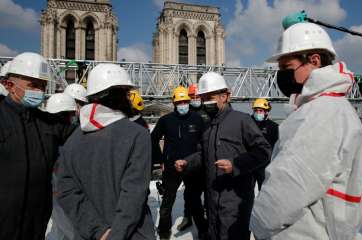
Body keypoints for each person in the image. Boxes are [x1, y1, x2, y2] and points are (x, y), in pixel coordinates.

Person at [250, 22, 362, 240]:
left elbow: (288, 187)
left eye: (286, 68)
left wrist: (258, 224)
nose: (281, 76)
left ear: (314, 61)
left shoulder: (321, 113)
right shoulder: (333, 108)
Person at [56, 63, 155, 240]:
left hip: (88, 234)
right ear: (117, 96)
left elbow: (66, 193)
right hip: (132, 234)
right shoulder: (137, 134)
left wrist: (98, 231)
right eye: (126, 93)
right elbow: (133, 194)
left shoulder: (72, 141)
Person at [175, 72, 271, 240]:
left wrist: (236, 164)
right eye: (203, 98)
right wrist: (187, 162)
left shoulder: (242, 121)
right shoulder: (208, 126)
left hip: (236, 201)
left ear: (225, 96)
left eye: (210, 97)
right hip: (212, 200)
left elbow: (263, 151)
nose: (206, 102)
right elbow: (203, 155)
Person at [0, 52, 73, 240]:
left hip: (36, 223)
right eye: (33, 85)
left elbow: (82, 136)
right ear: (9, 85)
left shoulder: (48, 123)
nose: (39, 91)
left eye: (43, 85)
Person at [152, 86, 208, 240]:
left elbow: (205, 142)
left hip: (192, 167)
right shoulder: (166, 120)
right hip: (171, 168)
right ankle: (164, 232)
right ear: (174, 103)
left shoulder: (197, 120)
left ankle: (203, 231)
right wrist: (160, 160)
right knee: (167, 202)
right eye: (179, 102)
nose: (183, 104)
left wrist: (200, 161)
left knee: (195, 202)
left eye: (185, 101)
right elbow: (153, 138)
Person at [44, 93, 78, 240]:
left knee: (59, 230)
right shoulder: (73, 136)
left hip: (53, 195)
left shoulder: (42, 135)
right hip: (64, 195)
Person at [251, 98, 278, 189]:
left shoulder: (273, 127)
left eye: (261, 110)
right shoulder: (247, 123)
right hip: (248, 164)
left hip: (265, 165)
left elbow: (278, 146)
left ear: (266, 112)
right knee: (246, 192)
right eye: (256, 110)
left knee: (264, 190)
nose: (258, 113)